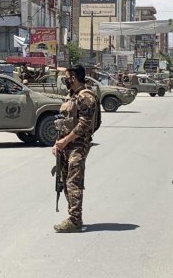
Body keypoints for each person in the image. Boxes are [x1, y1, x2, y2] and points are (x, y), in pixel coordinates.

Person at [52, 64, 98, 233]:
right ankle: (72, 217)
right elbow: (64, 122)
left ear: (74, 77)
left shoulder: (86, 97)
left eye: (67, 77)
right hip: (66, 145)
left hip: (78, 145)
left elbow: (84, 125)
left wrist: (65, 141)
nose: (65, 80)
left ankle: (75, 220)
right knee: (65, 182)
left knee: (74, 182)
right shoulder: (72, 96)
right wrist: (57, 143)